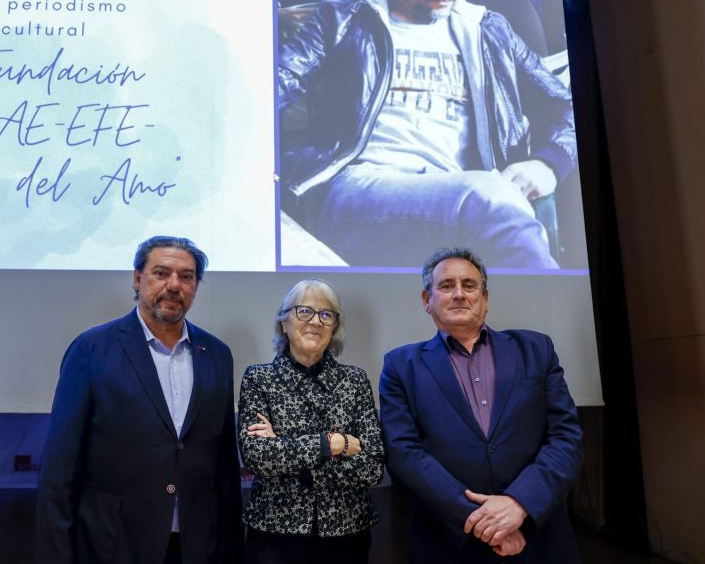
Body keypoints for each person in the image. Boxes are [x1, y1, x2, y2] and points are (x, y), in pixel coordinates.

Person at [277, 0, 575, 269]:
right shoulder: (342, 19)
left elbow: (564, 104)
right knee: (488, 197)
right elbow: (277, 85)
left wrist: (548, 165)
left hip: (458, 195)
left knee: (486, 198)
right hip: (358, 191)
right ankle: (554, 318)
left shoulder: (486, 28)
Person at [35, 236, 243, 564]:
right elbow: (59, 469)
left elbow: (225, 465)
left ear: (196, 286)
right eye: (161, 273)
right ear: (137, 279)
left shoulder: (217, 354)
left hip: (196, 544)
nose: (174, 285)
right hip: (115, 543)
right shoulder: (92, 350)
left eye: (186, 277)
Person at [379, 247, 584, 562]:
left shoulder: (536, 349)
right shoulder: (400, 365)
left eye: (469, 285)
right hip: (449, 542)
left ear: (485, 298)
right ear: (427, 301)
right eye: (446, 286)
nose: (459, 294)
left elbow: (566, 438)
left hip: (538, 536)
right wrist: (484, 522)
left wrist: (520, 505)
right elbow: (404, 454)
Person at [238, 278, 384, 563]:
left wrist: (293, 461)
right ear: (284, 322)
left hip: (347, 534)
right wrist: (333, 443)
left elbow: (372, 467)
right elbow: (258, 457)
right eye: (304, 311)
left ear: (335, 327)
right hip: (275, 534)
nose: (316, 322)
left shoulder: (354, 381)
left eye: (326, 314)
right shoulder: (259, 379)